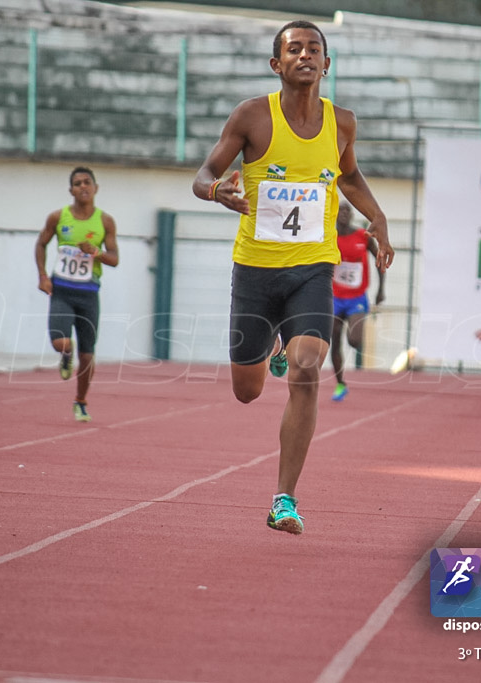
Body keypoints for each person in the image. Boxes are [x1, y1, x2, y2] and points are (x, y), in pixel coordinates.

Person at [192, 20, 394, 534]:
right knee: (247, 391)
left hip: (311, 266)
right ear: (276, 64)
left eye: (314, 49)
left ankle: (285, 499)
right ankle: (270, 350)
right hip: (257, 270)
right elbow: (202, 176)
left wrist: (378, 218)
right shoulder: (252, 117)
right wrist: (218, 192)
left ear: (327, 64)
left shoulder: (341, 122)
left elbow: (347, 173)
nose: (305, 55)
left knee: (309, 368)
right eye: (293, 49)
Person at [35, 166, 119, 422]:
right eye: (77, 183)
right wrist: (42, 276)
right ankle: (65, 355)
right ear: (71, 190)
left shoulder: (105, 221)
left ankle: (81, 401)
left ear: (96, 188)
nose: (83, 187)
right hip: (62, 290)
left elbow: (114, 260)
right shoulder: (58, 217)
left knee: (88, 355)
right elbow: (41, 243)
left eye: (87, 182)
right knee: (61, 342)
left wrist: (96, 253)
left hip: (88, 295)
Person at [330, 203, 386, 401]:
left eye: (348, 211)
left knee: (354, 341)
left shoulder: (362, 237)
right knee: (333, 340)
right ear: (335, 215)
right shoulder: (329, 238)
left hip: (356, 298)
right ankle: (340, 383)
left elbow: (379, 259)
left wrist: (381, 289)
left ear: (351, 215)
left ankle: (352, 327)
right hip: (335, 297)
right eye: (341, 211)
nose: (344, 214)